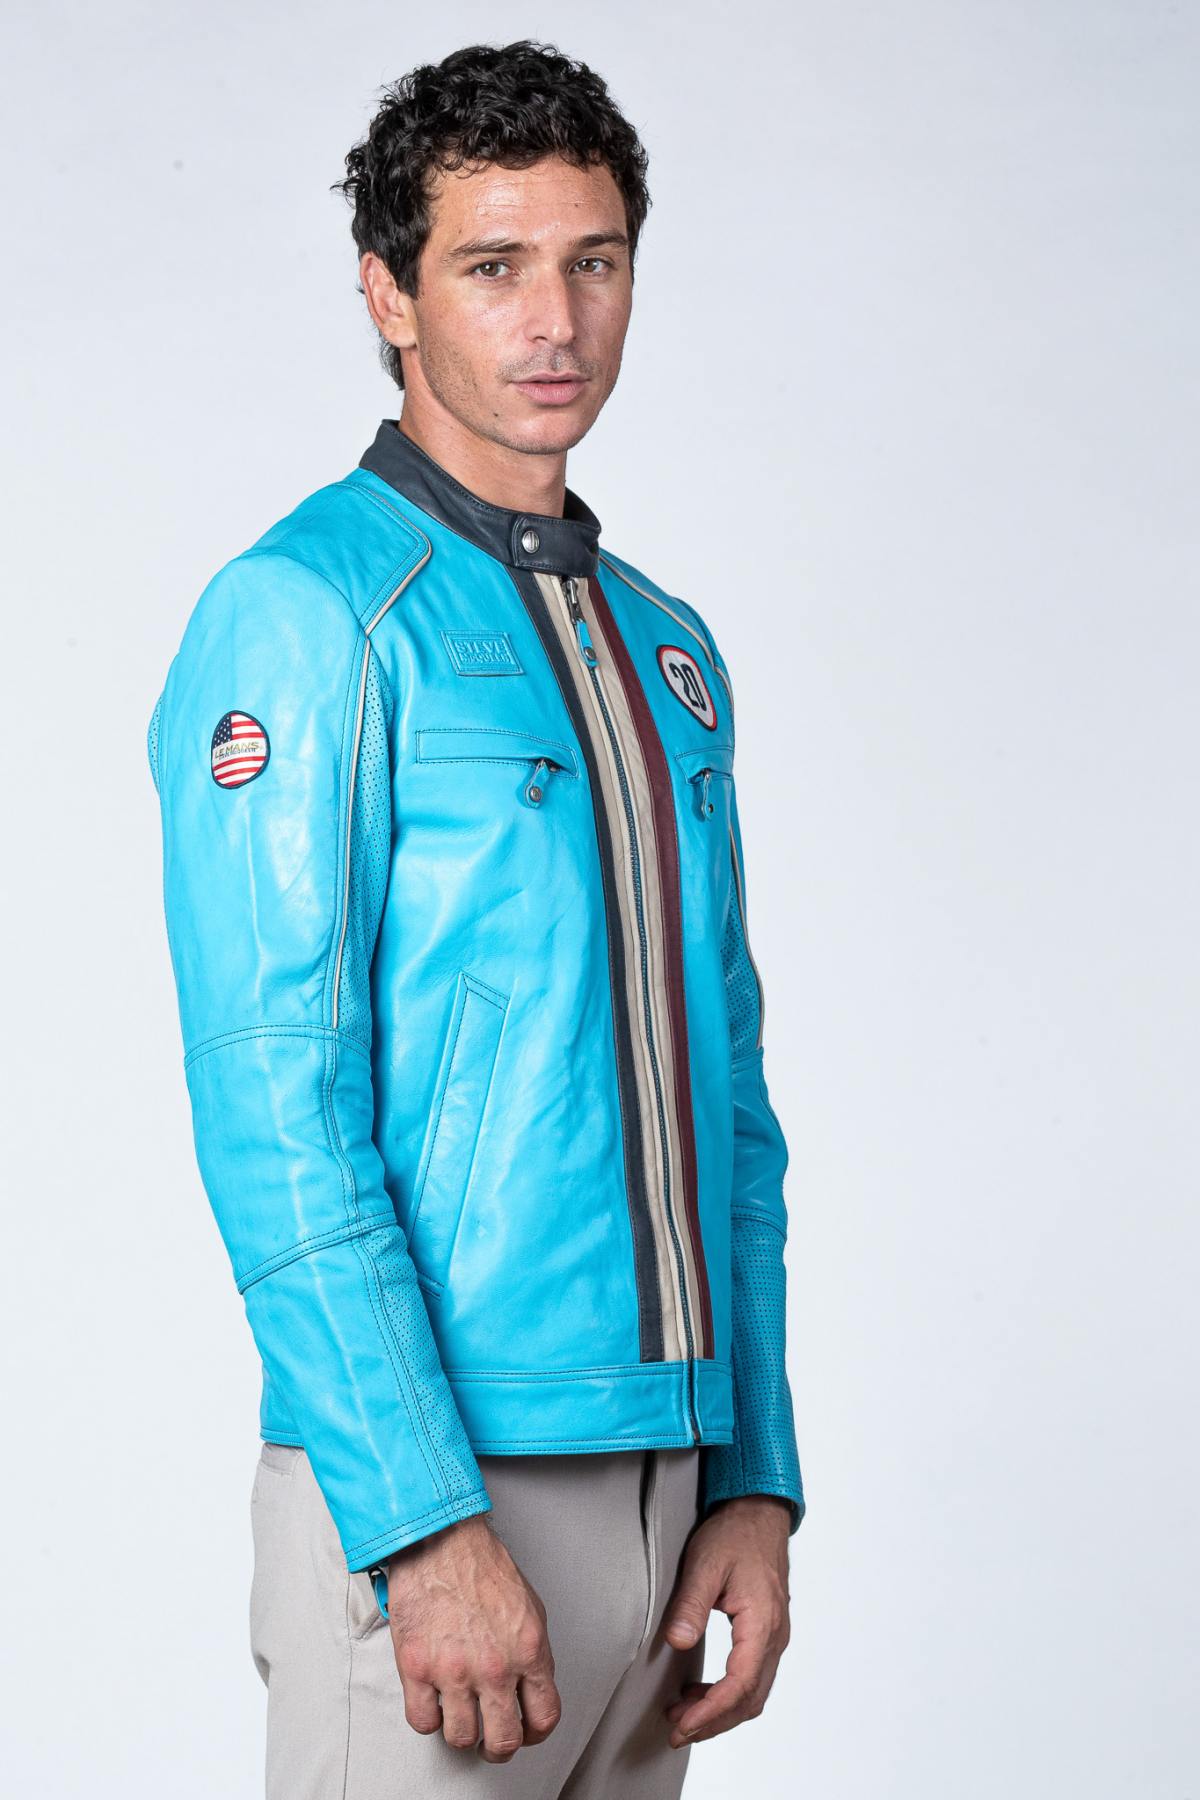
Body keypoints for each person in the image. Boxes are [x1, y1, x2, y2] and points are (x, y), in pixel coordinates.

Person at [146, 38, 806, 1799]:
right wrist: (424, 1520)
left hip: (671, 1481)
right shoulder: (306, 614)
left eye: (595, 262)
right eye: (493, 266)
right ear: (390, 292)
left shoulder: (665, 645)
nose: (555, 322)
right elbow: (274, 1102)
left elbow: (728, 1101)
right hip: (443, 1490)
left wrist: (752, 1474)